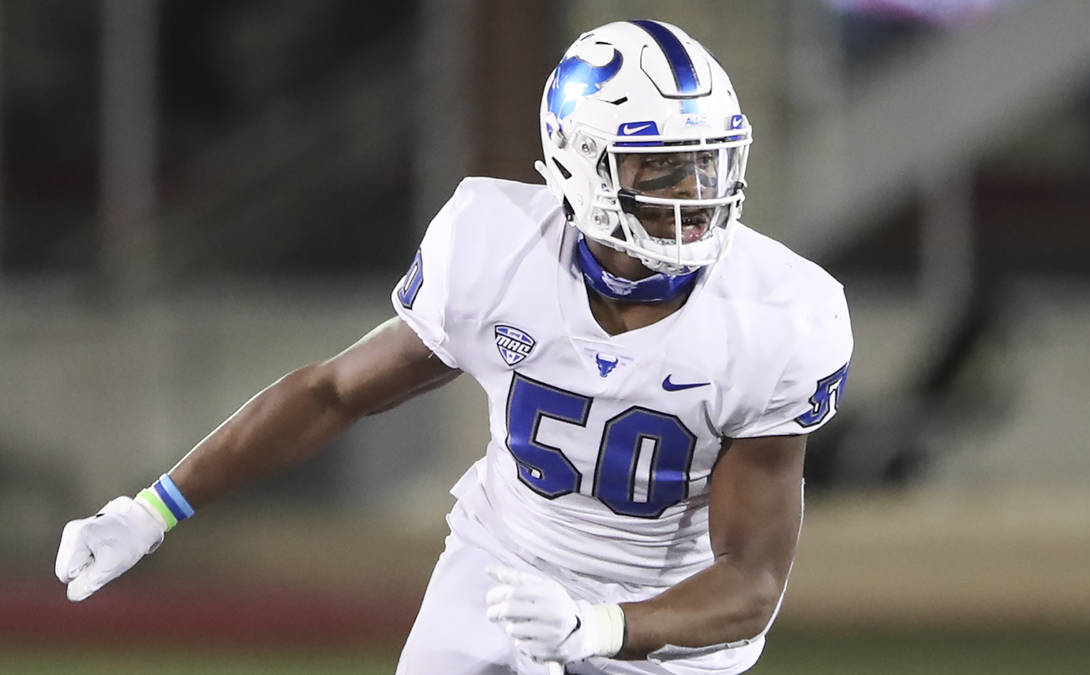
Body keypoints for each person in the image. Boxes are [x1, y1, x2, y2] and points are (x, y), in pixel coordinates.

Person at [55, 19, 852, 675]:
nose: (696, 196)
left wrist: (597, 626)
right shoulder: (496, 247)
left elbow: (751, 579)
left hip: (668, 621)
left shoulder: (779, 312)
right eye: (664, 168)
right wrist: (150, 509)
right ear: (577, 164)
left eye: (708, 165)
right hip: (504, 568)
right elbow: (333, 392)